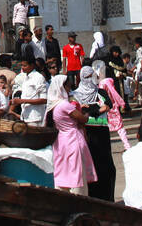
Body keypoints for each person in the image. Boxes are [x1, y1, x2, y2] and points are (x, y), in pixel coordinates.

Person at [50, 77, 97, 195]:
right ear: (62, 87)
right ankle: (80, 201)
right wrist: (86, 113)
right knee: (77, 173)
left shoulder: (52, 106)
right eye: (68, 86)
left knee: (63, 172)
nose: (69, 89)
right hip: (72, 139)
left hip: (60, 142)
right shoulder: (65, 105)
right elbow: (82, 119)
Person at [75, 67, 116, 201]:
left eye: (91, 76)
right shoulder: (75, 94)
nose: (90, 80)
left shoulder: (100, 92)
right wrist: (95, 109)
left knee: (105, 166)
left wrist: (94, 110)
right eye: (87, 77)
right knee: (90, 165)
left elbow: (108, 105)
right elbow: (77, 110)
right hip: (86, 133)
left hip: (102, 133)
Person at [97, 65, 131, 150]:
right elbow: (114, 93)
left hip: (105, 107)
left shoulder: (103, 83)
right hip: (113, 106)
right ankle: (127, 145)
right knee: (120, 127)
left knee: (105, 127)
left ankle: (104, 147)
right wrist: (121, 102)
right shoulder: (109, 81)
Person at [11, 55, 49, 126]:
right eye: (21, 65)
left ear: (32, 65)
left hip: (35, 118)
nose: (22, 68)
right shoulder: (25, 78)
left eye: (25, 66)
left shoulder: (38, 78)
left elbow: (44, 100)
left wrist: (22, 101)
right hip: (25, 117)